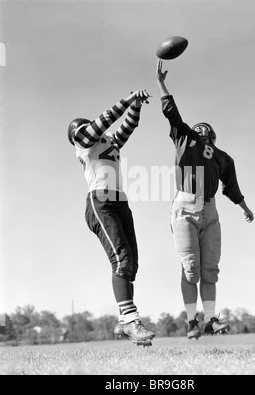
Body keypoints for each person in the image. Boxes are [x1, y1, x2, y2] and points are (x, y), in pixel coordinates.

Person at [156, 60, 254, 339]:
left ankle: (210, 318)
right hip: (185, 207)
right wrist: (162, 84)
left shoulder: (223, 157)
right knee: (191, 269)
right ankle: (191, 321)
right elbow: (172, 114)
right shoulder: (184, 139)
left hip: (210, 210)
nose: (199, 129)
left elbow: (231, 186)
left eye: (204, 128)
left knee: (210, 270)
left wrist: (244, 207)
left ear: (212, 135)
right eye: (196, 128)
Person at [68, 90, 155, 347]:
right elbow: (103, 121)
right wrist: (127, 99)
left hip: (120, 202)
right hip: (100, 203)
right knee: (122, 259)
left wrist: (136, 106)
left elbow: (129, 125)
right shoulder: (83, 140)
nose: (93, 128)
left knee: (131, 264)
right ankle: (131, 319)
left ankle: (124, 319)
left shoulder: (109, 143)